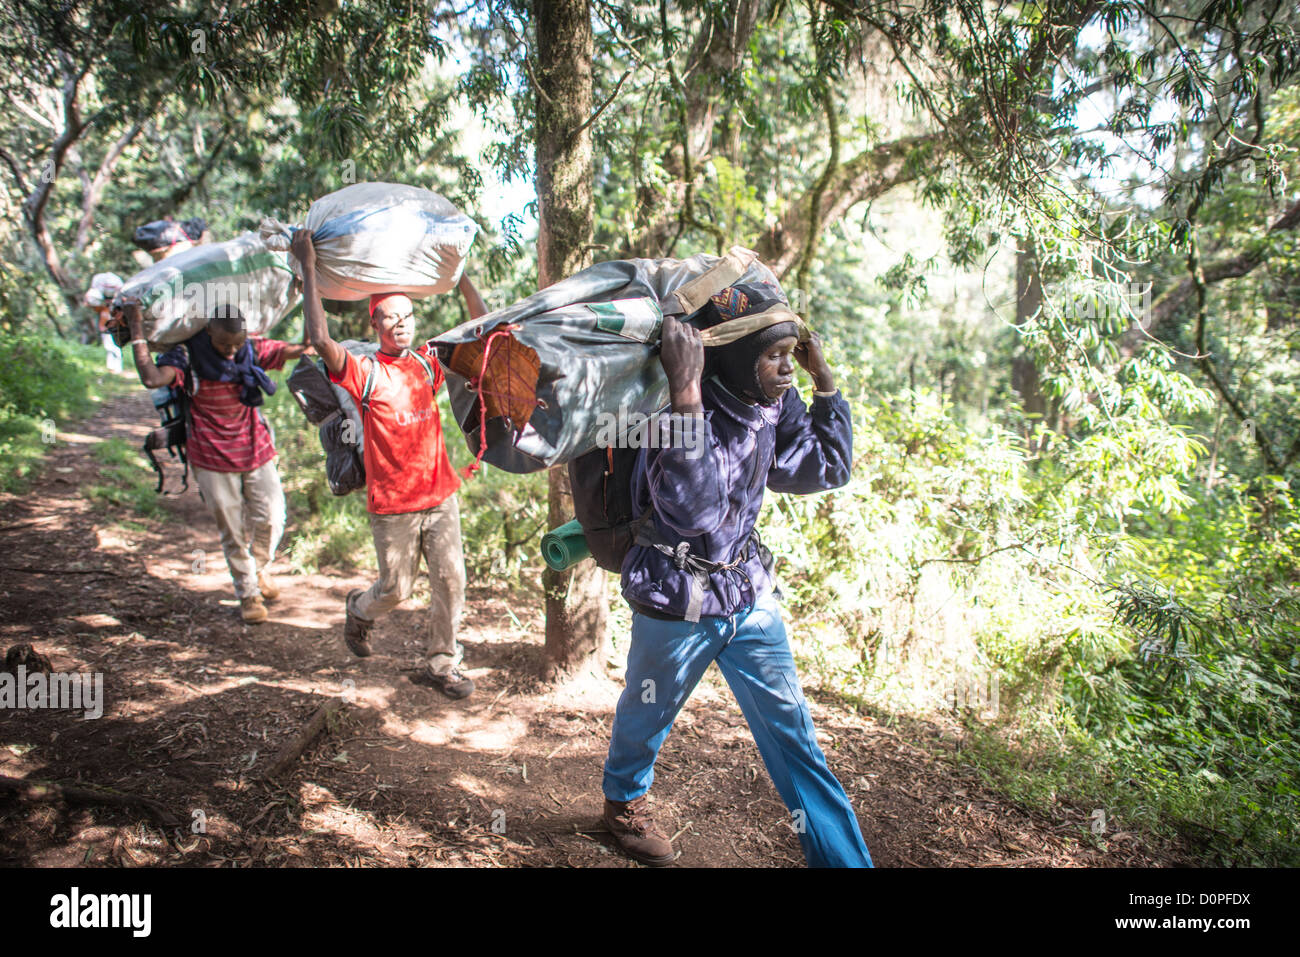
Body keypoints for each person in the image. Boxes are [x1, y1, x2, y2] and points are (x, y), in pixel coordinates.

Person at [600, 284, 873, 868]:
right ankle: (622, 803)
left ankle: (843, 862)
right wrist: (686, 390)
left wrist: (823, 379)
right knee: (646, 712)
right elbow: (693, 510)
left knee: (794, 738)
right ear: (736, 357)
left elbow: (829, 465)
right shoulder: (670, 410)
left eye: (790, 353)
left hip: (748, 592)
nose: (785, 367)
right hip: (676, 596)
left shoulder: (772, 403)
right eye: (773, 355)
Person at [290, 230, 486, 699]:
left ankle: (441, 664)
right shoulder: (365, 372)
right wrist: (309, 265)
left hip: (440, 496)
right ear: (374, 322)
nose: (400, 324)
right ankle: (358, 610)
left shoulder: (426, 364)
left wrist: (460, 275)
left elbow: (482, 330)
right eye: (389, 318)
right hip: (393, 506)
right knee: (396, 591)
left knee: (451, 580)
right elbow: (320, 338)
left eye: (407, 316)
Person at [123, 303, 312, 623]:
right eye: (225, 344)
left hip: (257, 450)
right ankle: (247, 593)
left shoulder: (251, 349)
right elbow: (153, 378)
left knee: (273, 518)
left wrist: (310, 279)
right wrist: (136, 326)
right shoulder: (187, 357)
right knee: (232, 529)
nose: (232, 350)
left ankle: (259, 568)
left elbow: (307, 347)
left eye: (238, 343)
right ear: (208, 331)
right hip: (210, 456)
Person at [84, 273, 124, 373]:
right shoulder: (104, 307)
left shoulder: (110, 307)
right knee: (110, 343)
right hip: (110, 319)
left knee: (114, 343)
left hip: (113, 320)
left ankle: (116, 367)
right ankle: (112, 366)